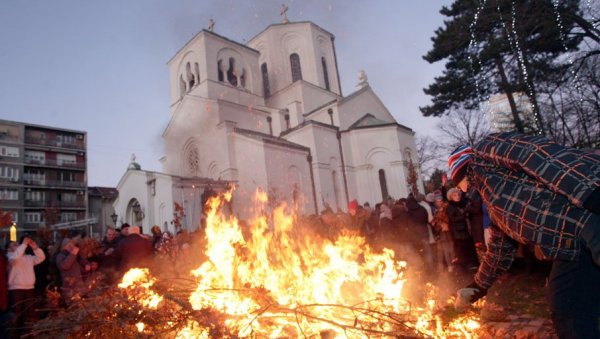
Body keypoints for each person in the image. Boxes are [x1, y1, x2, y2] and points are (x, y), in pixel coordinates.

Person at [449, 131, 600, 339]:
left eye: (458, 185)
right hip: (572, 244)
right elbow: (498, 251)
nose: (462, 191)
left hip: (589, 210)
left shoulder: (485, 151)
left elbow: (537, 154)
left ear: (462, 173)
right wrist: (477, 287)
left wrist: (590, 192)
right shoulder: (494, 206)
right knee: (564, 303)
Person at [7, 235, 46, 338]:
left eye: (18, 244)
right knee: (16, 315)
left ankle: (28, 335)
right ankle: (14, 335)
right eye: (14, 245)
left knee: (29, 314)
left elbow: (41, 258)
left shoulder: (28, 258)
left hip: (29, 288)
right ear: (9, 248)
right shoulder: (10, 256)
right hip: (16, 290)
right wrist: (23, 244)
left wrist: (35, 248)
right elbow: (15, 257)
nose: (18, 245)